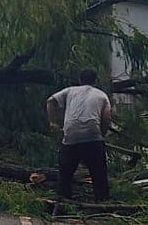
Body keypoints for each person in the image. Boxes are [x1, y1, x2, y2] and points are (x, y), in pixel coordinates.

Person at [46, 69, 112, 202]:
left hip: (71, 135)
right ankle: (102, 201)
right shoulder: (101, 95)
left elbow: (50, 101)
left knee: (65, 172)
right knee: (99, 172)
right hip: (92, 136)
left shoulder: (70, 91)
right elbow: (106, 117)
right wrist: (101, 135)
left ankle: (64, 199)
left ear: (80, 80)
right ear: (95, 81)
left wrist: (53, 122)